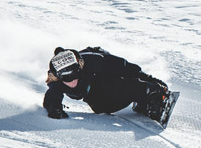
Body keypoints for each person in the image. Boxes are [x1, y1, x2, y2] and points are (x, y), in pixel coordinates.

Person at [43, 46, 171, 121]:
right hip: (92, 95)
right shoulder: (56, 81)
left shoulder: (92, 61)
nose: (72, 81)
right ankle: (140, 96)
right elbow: (51, 98)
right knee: (102, 108)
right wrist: (54, 109)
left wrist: (147, 78)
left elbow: (122, 66)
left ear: (79, 68)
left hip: (105, 76)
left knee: (118, 87)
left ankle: (147, 92)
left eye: (74, 75)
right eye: (66, 79)